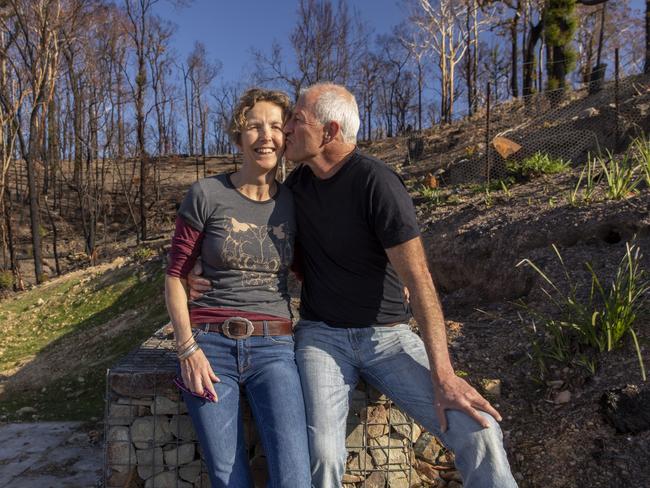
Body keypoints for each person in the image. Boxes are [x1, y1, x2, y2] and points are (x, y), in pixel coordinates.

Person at [189, 83, 517, 488]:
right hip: (321, 338)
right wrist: (197, 268)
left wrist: (444, 376)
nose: (286, 129)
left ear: (328, 132)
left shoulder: (376, 183)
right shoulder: (294, 192)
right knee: (321, 455)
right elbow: (249, 240)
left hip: (389, 338)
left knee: (480, 430)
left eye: (297, 120)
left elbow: (420, 280)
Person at [165, 88, 311, 488]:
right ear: (237, 137)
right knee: (229, 480)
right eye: (254, 126)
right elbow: (175, 275)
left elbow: (314, 265)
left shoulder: (298, 203)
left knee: (296, 477)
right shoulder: (206, 195)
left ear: (288, 137)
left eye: (276, 127)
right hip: (209, 348)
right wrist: (186, 349)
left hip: (275, 348)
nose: (266, 136)